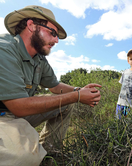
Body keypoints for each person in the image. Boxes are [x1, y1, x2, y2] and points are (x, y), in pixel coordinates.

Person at [0, 5, 101, 165]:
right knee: (25, 157)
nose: (56, 40)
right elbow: (18, 106)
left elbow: (54, 86)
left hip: (17, 112)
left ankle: (49, 155)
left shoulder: (39, 58)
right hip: (4, 115)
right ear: (31, 25)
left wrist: (78, 90)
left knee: (66, 105)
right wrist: (77, 96)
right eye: (52, 33)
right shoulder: (4, 49)